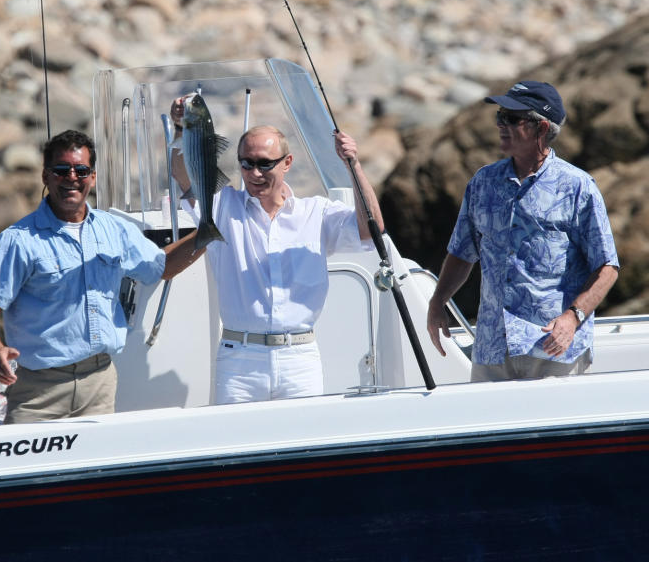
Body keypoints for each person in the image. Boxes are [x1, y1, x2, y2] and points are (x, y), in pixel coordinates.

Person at [0, 130, 203, 423]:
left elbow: (162, 266)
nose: (72, 177)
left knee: (96, 470)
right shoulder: (17, 240)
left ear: (92, 177)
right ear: (45, 176)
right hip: (37, 393)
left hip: (100, 383)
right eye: (61, 170)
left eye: (81, 170)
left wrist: (206, 233)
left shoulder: (114, 229)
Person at [169, 96, 383, 404]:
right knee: (238, 450)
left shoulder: (316, 212)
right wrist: (182, 128)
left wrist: (354, 165)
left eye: (264, 164)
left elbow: (371, 229)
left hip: (300, 358)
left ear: (287, 163)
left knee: (304, 448)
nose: (255, 174)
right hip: (239, 360)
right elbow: (183, 172)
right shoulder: (222, 207)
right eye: (247, 163)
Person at [426, 81, 619, 381]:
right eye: (500, 116)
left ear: (542, 128)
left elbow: (607, 267)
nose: (501, 125)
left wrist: (573, 318)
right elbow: (462, 253)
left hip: (553, 349)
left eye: (512, 119)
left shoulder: (578, 187)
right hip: (492, 348)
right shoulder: (483, 182)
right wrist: (437, 302)